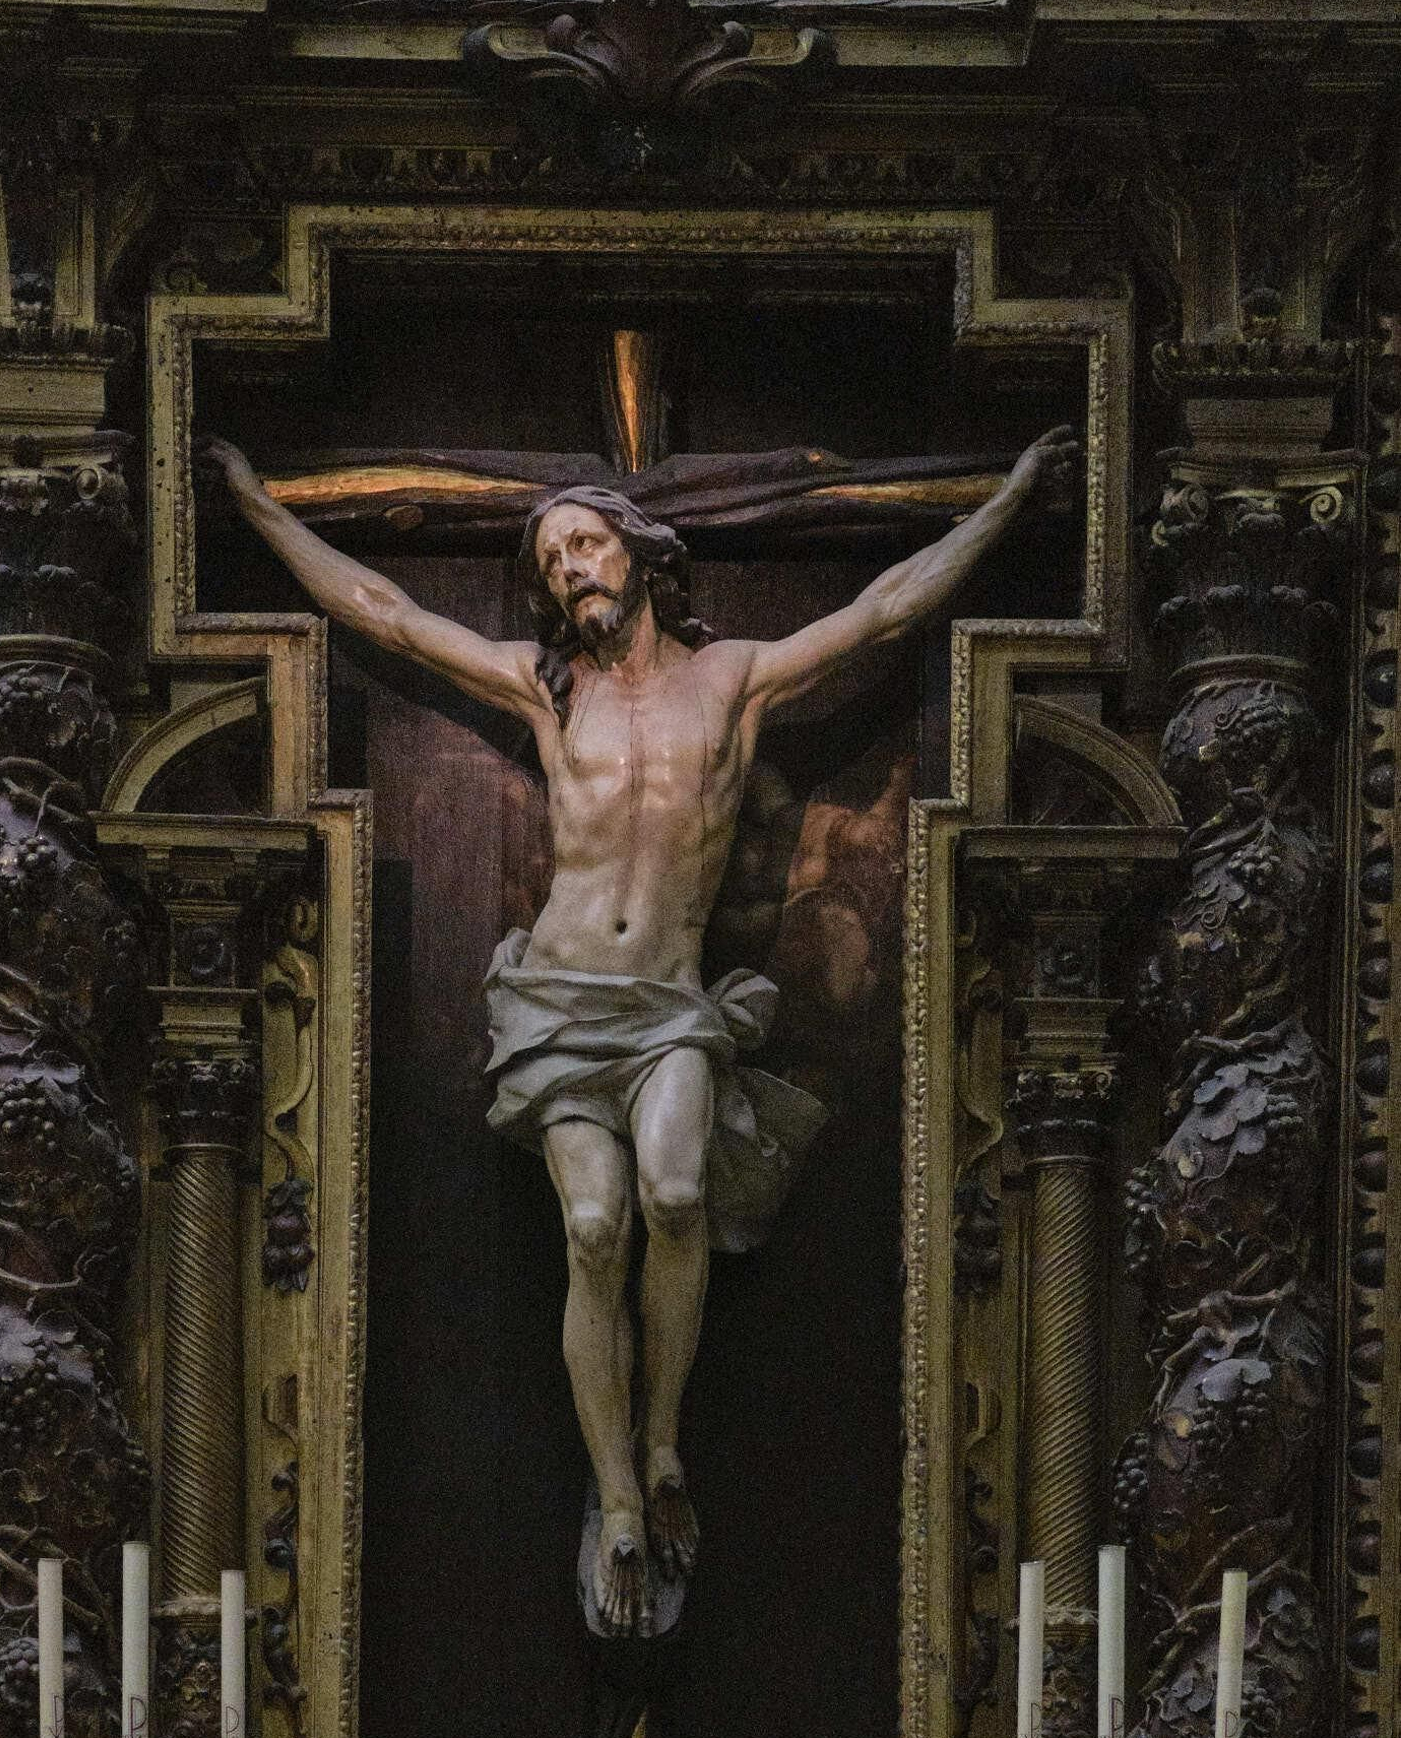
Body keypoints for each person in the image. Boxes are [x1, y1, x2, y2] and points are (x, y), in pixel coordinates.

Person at [208, 425, 1077, 1634]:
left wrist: (1010, 499)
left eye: (586, 540)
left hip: (667, 1003)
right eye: (552, 554)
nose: (568, 565)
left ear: (638, 552)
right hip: (560, 1003)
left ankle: (661, 1440)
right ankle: (616, 1493)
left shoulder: (733, 682)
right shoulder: (539, 683)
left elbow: (884, 609)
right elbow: (385, 611)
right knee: (594, 1218)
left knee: (674, 1194)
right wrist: (257, 507)